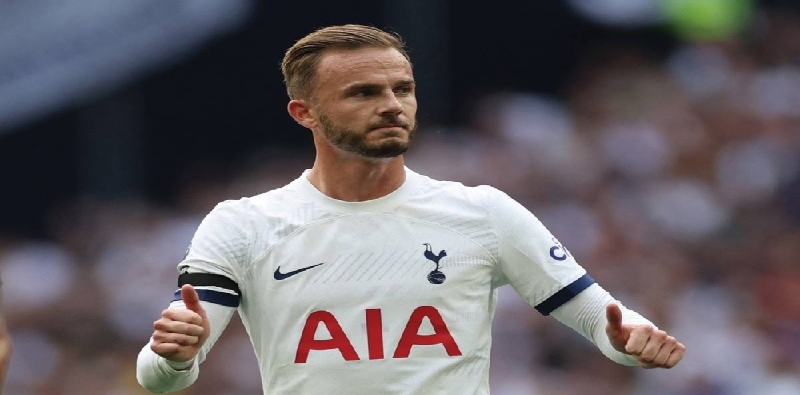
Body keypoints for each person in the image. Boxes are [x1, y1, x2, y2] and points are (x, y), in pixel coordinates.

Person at [136, 24, 685, 394]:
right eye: (363, 93)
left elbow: (601, 318)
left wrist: (631, 340)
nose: (392, 106)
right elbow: (160, 377)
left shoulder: (483, 213)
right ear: (304, 113)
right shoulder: (243, 225)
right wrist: (175, 355)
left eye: (402, 89)